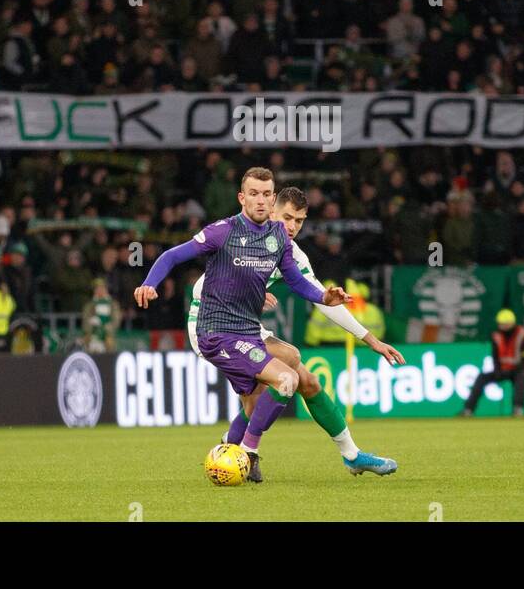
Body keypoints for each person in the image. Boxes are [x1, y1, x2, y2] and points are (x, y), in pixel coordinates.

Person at [135, 167, 349, 483]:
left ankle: (228, 450)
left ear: (273, 199)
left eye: (266, 194)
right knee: (287, 378)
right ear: (242, 197)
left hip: (246, 333)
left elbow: (296, 280)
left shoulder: (279, 239)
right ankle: (247, 454)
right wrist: (149, 283)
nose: (260, 200)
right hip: (217, 332)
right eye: (253, 194)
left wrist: (324, 297)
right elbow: (172, 255)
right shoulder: (223, 231)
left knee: (258, 398)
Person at [187, 186, 403, 476]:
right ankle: (243, 450)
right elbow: (202, 284)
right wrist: (241, 289)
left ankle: (350, 455)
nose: (292, 226)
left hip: (246, 324)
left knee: (307, 382)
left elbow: (322, 299)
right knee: (288, 361)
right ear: (271, 210)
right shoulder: (240, 234)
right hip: (211, 322)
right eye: (287, 217)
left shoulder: (292, 253)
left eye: (299, 221)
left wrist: (371, 340)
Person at [462, 309, 524, 417]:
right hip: (502, 369)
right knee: (482, 377)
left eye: (506, 323)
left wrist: (520, 368)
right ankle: (468, 410)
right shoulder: (496, 335)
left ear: (512, 323)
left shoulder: (522, 334)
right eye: (502, 324)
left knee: (521, 379)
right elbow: (495, 356)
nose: (504, 326)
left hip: (518, 369)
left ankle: (518, 409)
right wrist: (497, 369)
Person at [80, 277, 120, 353]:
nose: (100, 290)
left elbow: (116, 321)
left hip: (108, 335)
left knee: (109, 342)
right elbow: (85, 321)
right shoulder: (89, 305)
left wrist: (105, 330)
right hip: (92, 334)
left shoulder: (113, 305)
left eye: (102, 288)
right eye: (97, 288)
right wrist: (92, 326)